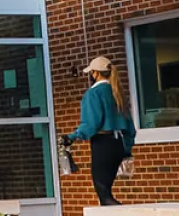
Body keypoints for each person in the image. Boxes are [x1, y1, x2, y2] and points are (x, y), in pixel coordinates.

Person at [58, 56, 136, 206]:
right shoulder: (118, 93)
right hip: (118, 144)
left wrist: (72, 136)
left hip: (102, 144)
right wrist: (127, 148)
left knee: (104, 195)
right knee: (107, 193)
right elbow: (129, 127)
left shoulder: (93, 94)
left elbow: (91, 124)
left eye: (91, 73)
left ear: (95, 73)